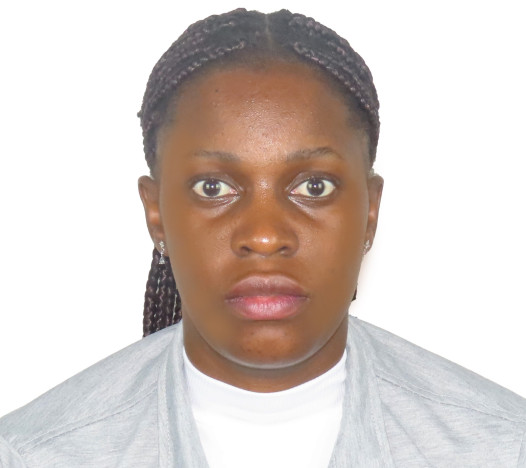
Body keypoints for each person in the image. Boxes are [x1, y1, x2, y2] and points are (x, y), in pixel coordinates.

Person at [0, 7, 525, 468]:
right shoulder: (31, 455)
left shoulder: (503, 448)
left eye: (314, 187)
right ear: (156, 214)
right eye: (213, 188)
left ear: (370, 214)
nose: (266, 236)